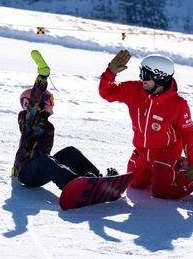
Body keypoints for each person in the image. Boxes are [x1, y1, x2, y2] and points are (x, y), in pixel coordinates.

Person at [99, 49, 193, 202]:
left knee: (162, 191)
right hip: (142, 152)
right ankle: (175, 168)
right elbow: (106, 93)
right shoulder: (134, 90)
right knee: (134, 183)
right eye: (141, 73)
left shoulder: (178, 104)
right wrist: (110, 72)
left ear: (160, 78)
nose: (142, 79)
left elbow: (188, 134)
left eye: (146, 76)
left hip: (166, 154)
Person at [12, 50, 115, 190]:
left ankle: (97, 180)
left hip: (39, 170)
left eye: (52, 99)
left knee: (70, 152)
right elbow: (35, 101)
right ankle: (73, 186)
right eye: (48, 99)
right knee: (45, 159)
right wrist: (42, 76)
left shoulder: (43, 123)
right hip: (27, 173)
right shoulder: (29, 119)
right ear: (31, 103)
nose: (51, 102)